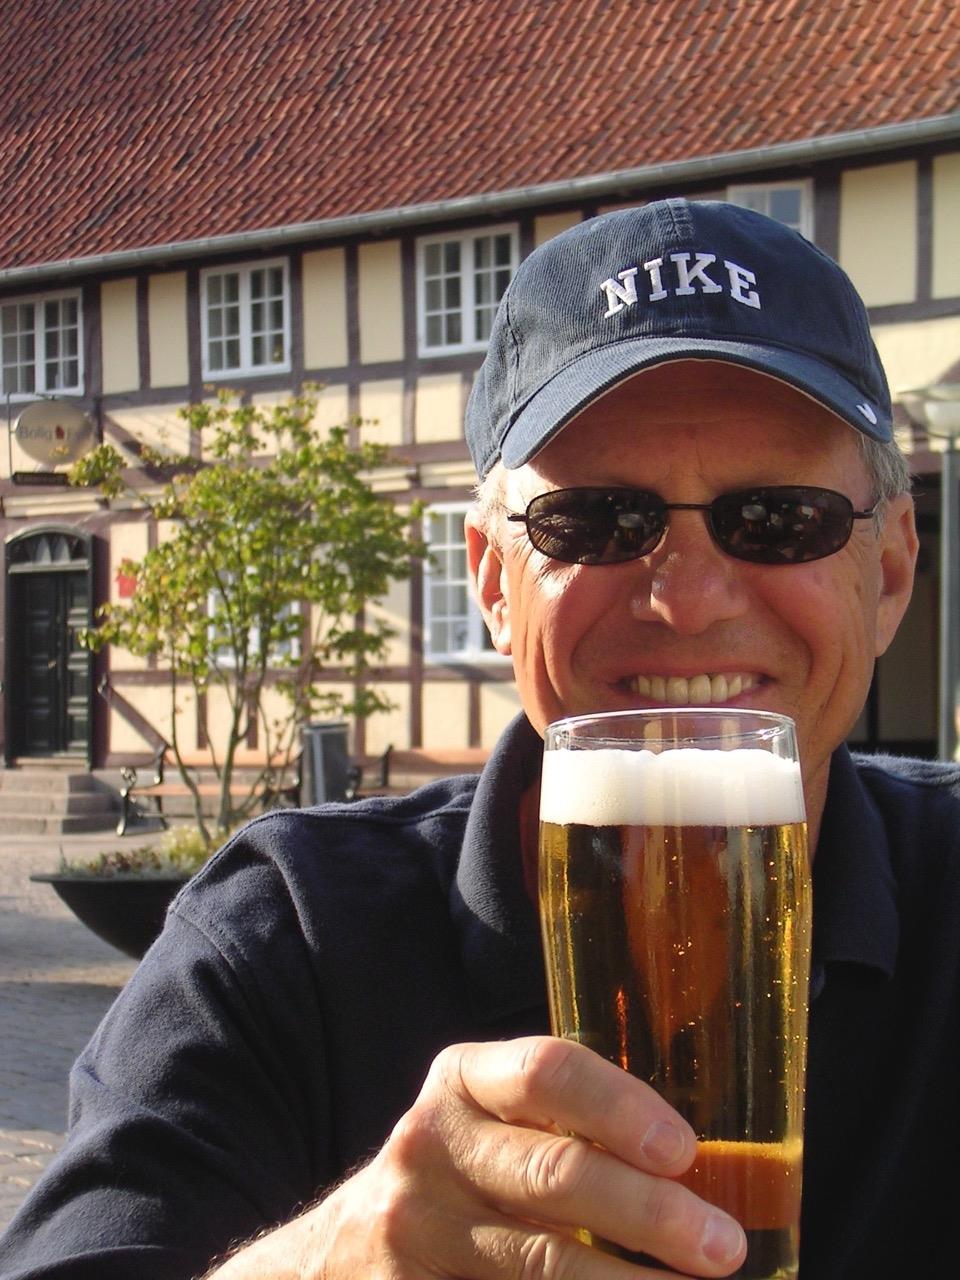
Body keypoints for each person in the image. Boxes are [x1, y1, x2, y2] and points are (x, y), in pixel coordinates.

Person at [2, 198, 958, 1280]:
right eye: (595, 520)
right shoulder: (284, 937)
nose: (687, 599)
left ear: (887, 572)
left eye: (780, 517)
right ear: (494, 580)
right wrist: (328, 1262)